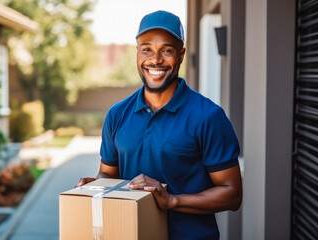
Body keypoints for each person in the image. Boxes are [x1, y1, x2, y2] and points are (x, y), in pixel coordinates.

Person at [75, 10, 242, 240]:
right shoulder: (117, 114)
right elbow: (108, 172)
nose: (155, 60)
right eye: (147, 49)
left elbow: (232, 194)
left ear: (181, 55)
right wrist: (97, 186)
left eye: (166, 50)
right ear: (137, 52)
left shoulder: (208, 116)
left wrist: (173, 200)